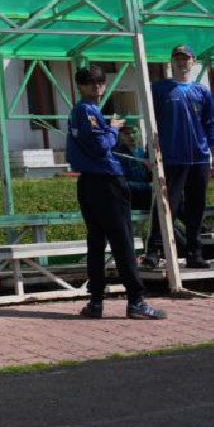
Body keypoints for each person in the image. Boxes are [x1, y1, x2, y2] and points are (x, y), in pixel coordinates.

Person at [65, 66, 165, 320]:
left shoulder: (88, 112)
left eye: (99, 82)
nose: (96, 86)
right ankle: (136, 300)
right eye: (89, 82)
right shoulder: (87, 111)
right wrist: (114, 128)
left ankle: (96, 301)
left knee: (97, 242)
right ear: (81, 87)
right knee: (122, 241)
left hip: (90, 183)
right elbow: (100, 146)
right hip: (106, 183)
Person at [146, 45, 214, 269]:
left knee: (197, 206)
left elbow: (211, 125)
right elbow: (151, 123)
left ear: (193, 61)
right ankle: (154, 250)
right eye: (177, 58)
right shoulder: (160, 89)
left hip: (199, 156)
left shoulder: (203, 91)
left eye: (186, 58)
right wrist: (151, 152)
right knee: (169, 204)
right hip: (172, 156)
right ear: (171, 61)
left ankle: (194, 253)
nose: (182, 62)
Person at [116, 123, 154, 212]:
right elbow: (122, 183)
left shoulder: (142, 153)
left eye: (134, 132)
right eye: (127, 134)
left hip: (147, 195)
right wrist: (148, 186)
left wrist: (150, 172)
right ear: (120, 136)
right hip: (131, 198)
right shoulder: (118, 156)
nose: (131, 136)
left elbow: (147, 176)